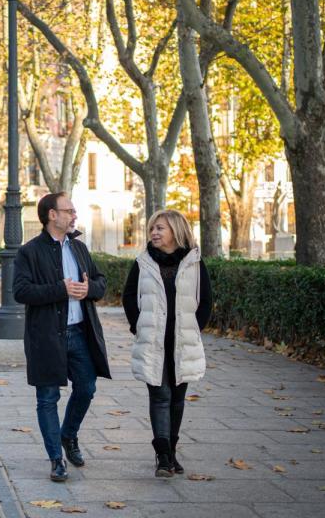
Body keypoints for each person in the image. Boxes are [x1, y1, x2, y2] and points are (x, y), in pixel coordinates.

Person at [14, 192, 111, 482]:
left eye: (73, 210)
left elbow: (100, 282)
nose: (74, 215)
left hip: (80, 333)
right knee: (47, 398)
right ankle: (56, 459)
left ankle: (68, 435)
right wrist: (61, 289)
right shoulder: (29, 252)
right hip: (46, 336)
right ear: (51, 215)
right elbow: (21, 292)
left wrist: (88, 289)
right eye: (68, 210)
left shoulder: (78, 248)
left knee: (87, 388)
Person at [121, 210, 212, 478]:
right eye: (152, 229)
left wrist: (194, 329)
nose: (154, 233)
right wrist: (138, 325)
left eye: (160, 228)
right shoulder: (143, 262)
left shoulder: (195, 262)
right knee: (160, 396)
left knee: (177, 399)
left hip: (182, 342)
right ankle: (162, 456)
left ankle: (171, 450)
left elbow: (205, 300)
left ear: (175, 230)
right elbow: (128, 296)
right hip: (153, 341)